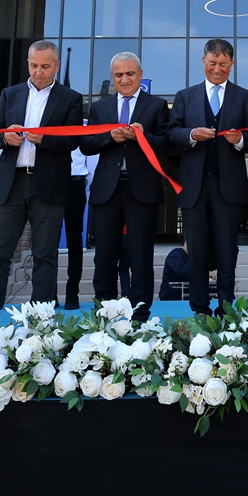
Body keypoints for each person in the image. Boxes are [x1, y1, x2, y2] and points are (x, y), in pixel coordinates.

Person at [0, 40, 83, 324]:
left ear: (56, 66)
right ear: (27, 63)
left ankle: (41, 321)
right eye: (34, 65)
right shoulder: (10, 95)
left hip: (47, 186)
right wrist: (5, 137)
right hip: (10, 184)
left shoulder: (70, 98)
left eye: (45, 66)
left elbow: (74, 141)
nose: (39, 72)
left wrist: (45, 139)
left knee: (45, 256)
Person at [167, 39, 248, 316]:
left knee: (228, 251)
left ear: (231, 64)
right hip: (193, 186)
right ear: (203, 62)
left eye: (223, 64)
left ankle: (226, 309)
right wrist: (192, 135)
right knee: (196, 250)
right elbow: (172, 134)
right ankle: (199, 310)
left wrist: (241, 139)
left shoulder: (243, 96)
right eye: (212, 63)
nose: (217, 69)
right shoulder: (185, 96)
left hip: (229, 187)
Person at [81, 52, 171, 322]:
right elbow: (86, 144)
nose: (124, 79)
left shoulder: (156, 106)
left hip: (142, 188)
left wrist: (141, 136)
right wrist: (110, 136)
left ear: (140, 75)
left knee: (141, 256)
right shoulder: (100, 107)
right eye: (119, 74)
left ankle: (140, 315)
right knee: (104, 257)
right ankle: (105, 314)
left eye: (130, 73)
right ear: (113, 77)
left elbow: (167, 144)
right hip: (107, 189)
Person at [61, 145, 98, 309]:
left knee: (75, 241)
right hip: (51, 183)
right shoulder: (49, 125)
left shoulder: (83, 129)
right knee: (47, 242)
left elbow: (92, 165)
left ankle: (72, 294)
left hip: (76, 183)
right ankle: (48, 294)